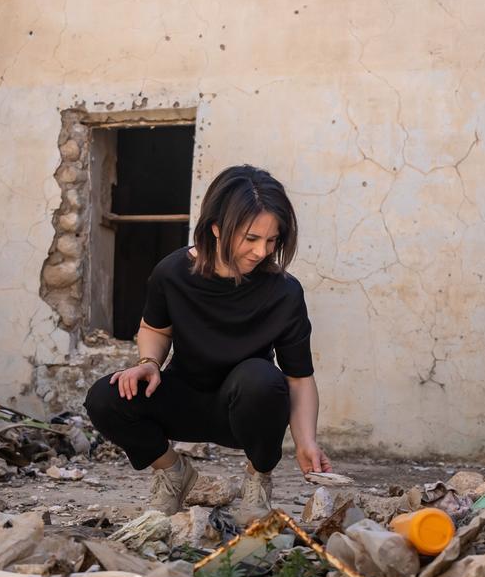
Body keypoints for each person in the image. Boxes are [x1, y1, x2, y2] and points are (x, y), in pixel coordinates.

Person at [85, 166, 332, 524]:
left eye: (272, 240)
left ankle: (257, 481)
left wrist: (306, 440)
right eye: (250, 238)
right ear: (217, 227)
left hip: (245, 408)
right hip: (183, 397)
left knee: (262, 379)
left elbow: (299, 378)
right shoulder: (172, 273)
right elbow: (154, 328)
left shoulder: (284, 292)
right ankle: (173, 473)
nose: (262, 251)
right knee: (105, 397)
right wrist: (149, 363)